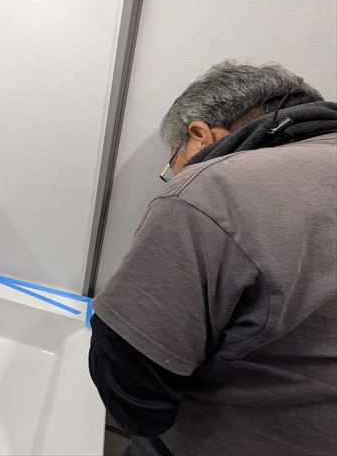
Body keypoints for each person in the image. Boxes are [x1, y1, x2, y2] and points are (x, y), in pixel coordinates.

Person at [89, 61, 337, 455]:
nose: (175, 175)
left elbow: (134, 395)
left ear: (201, 135)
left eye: (172, 162)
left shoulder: (211, 189)